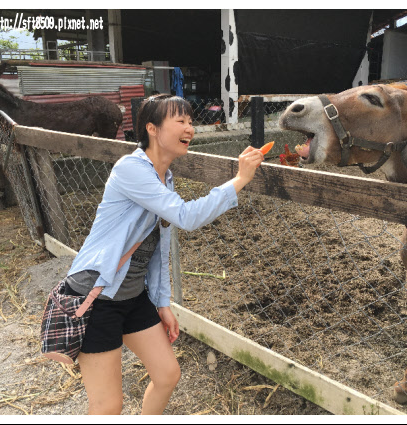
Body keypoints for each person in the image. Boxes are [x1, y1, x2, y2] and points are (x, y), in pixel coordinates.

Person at [64, 93, 264, 415]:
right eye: (180, 121)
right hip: (98, 295)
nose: (190, 128)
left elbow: (157, 251)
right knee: (108, 405)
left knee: (168, 374)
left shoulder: (165, 177)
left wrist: (161, 302)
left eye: (190, 121)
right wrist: (239, 180)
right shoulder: (131, 168)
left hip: (131, 296)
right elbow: (185, 217)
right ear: (153, 129)